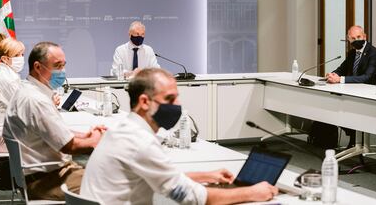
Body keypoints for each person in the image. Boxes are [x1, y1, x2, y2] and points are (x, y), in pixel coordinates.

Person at [81, 68, 278, 205]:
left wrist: (207, 175)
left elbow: (160, 177)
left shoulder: (123, 129)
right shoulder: (141, 142)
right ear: (144, 102)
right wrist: (253, 192)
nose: (177, 104)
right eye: (169, 99)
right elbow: (193, 198)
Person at [3, 41, 105, 201]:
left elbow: (55, 133)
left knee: (108, 177)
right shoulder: (36, 100)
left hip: (43, 174)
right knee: (114, 183)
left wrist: (85, 136)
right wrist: (95, 140)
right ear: (37, 67)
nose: (62, 71)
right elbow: (68, 146)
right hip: (46, 179)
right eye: (57, 66)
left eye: (63, 65)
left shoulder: (27, 90)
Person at [324, 25, 376, 147]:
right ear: (349, 40)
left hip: (369, 95)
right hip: (353, 91)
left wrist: (340, 79)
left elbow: (367, 77)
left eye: (359, 37)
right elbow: (342, 68)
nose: (356, 40)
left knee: (349, 114)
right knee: (334, 109)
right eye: (353, 38)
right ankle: (354, 140)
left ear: (365, 36)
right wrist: (333, 74)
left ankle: (357, 142)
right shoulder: (352, 53)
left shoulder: (374, 53)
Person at [0, 37, 25, 153]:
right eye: (17, 55)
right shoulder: (7, 79)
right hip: (1, 139)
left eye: (22, 54)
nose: (21, 58)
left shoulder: (8, 74)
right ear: (5, 59)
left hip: (1, 132)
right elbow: (22, 109)